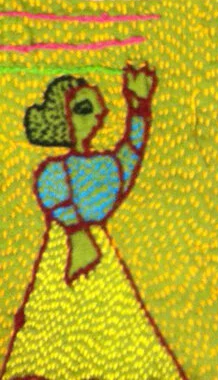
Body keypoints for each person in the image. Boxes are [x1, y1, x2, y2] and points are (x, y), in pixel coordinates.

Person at [0, 64, 187, 379]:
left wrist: (139, 108)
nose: (97, 116)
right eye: (83, 109)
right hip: (64, 257)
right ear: (63, 118)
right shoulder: (56, 170)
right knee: (57, 321)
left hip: (98, 257)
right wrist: (75, 230)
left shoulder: (104, 167)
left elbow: (129, 156)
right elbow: (50, 189)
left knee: (111, 322)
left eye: (93, 109)